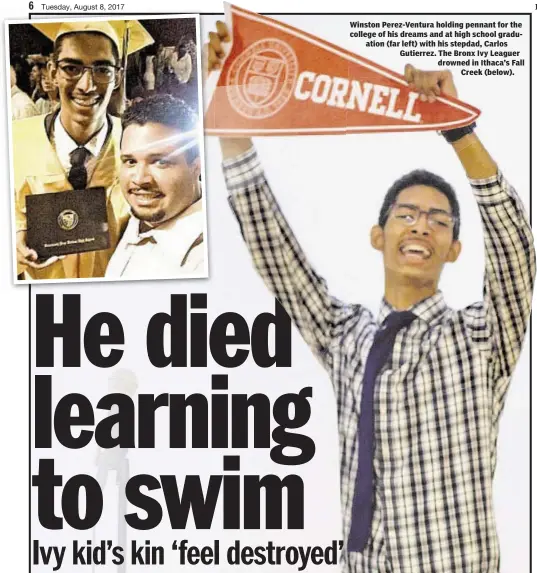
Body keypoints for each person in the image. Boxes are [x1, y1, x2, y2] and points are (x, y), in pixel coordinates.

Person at [208, 23, 535, 573]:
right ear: (378, 236)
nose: (421, 227)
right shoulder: (345, 334)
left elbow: (516, 253)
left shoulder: (483, 337)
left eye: (438, 221)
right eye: (406, 215)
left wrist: (460, 132)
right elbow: (275, 253)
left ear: (453, 249)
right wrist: (230, 98)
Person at [13, 20, 153, 280]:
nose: (86, 85)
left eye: (102, 69)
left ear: (118, 76)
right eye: (71, 68)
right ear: (53, 72)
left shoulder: (143, 146)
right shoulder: (12, 142)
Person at [105, 94, 204, 279]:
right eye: (130, 161)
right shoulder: (139, 214)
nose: (140, 179)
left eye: (160, 162)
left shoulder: (207, 258)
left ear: (196, 167)